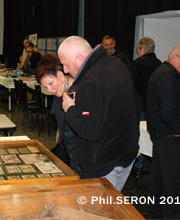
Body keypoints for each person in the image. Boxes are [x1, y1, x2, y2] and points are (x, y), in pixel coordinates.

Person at [58, 36, 140, 191]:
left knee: (100, 213)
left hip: (104, 164)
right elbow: (134, 107)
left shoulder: (90, 82)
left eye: (66, 64)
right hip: (124, 156)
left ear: (80, 58)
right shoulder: (116, 64)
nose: (65, 70)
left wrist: (70, 109)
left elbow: (90, 131)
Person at [147, 45, 180, 219]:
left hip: (164, 135)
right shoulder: (167, 75)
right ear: (176, 58)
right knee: (170, 183)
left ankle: (154, 213)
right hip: (168, 136)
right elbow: (168, 109)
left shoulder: (166, 73)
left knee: (159, 179)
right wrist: (176, 132)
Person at [35, 54, 83, 176]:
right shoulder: (59, 96)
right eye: (46, 87)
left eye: (51, 83)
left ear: (61, 75)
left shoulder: (81, 92)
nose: (49, 90)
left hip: (83, 159)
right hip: (68, 155)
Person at [129, 37, 162, 177]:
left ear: (141, 49)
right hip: (155, 109)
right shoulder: (160, 65)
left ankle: (138, 165)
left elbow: (130, 85)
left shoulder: (137, 64)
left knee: (139, 137)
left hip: (140, 106)